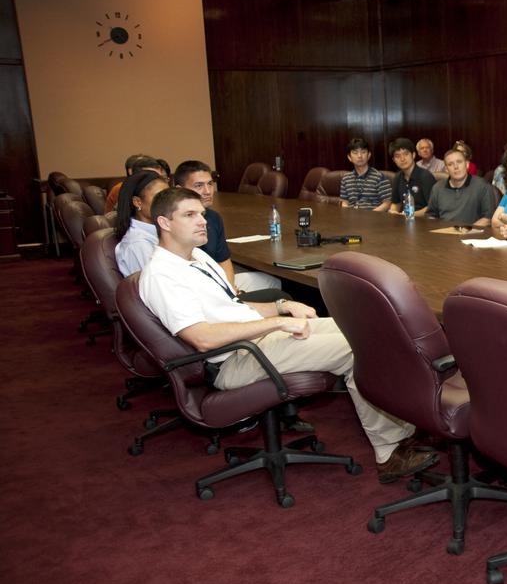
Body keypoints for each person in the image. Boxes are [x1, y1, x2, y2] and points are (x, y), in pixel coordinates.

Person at [138, 187, 437, 483]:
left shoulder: (197, 258)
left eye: (202, 214)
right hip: (234, 360)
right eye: (190, 215)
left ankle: (406, 425)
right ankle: (390, 452)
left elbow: (232, 307)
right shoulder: (162, 275)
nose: (202, 221)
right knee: (356, 348)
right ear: (164, 222)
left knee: (367, 330)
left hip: (254, 342)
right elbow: (202, 338)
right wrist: (276, 323)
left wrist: (281, 305)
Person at [172, 160, 284, 297]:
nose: (207, 191)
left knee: (273, 282)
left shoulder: (213, 217)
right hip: (195, 289)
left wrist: (229, 287)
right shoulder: (176, 223)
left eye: (210, 184)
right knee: (277, 294)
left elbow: (224, 260)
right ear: (179, 190)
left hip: (218, 280)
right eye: (199, 186)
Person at [113, 169, 170, 277]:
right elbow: (155, 287)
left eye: (168, 196)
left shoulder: (158, 230)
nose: (168, 203)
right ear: (137, 202)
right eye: (159, 197)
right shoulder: (138, 244)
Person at [426, 147, 493, 226]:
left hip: (472, 234)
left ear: (467, 164)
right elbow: (430, 216)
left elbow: (488, 218)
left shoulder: (482, 185)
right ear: (446, 169)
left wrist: (467, 231)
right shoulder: (437, 188)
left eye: (459, 162)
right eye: (450, 164)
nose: (456, 167)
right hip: (444, 234)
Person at [387, 139, 436, 217]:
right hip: (404, 220)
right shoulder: (397, 177)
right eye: (397, 156)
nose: (402, 159)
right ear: (394, 160)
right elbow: (396, 203)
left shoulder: (425, 176)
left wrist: (410, 215)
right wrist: (393, 212)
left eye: (405, 154)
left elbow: (432, 208)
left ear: (413, 155)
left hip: (424, 222)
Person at [339, 138, 391, 211]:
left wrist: (371, 215)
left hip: (373, 218)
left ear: (369, 155)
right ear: (349, 157)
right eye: (355, 153)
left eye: (363, 152)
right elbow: (344, 202)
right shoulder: (346, 178)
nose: (359, 156)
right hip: (351, 219)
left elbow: (387, 203)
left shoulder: (379, 177)